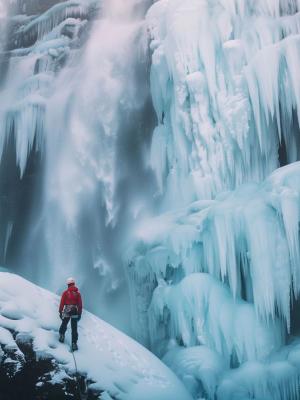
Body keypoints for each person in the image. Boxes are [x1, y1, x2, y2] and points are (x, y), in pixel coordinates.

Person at [58, 277, 82, 351]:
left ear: (68, 284)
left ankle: (62, 335)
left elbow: (62, 303)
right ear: (74, 284)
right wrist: (79, 314)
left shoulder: (65, 293)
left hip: (67, 310)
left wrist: (60, 311)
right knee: (74, 327)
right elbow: (80, 305)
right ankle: (74, 343)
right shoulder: (78, 294)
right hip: (74, 310)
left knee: (64, 323)